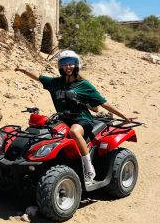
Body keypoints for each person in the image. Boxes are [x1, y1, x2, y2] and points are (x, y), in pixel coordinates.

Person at [15, 49, 134, 186]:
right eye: (65, 63)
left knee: (74, 132)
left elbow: (104, 103)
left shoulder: (84, 85)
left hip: (82, 119)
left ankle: (89, 169)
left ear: (77, 65)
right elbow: (38, 77)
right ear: (60, 66)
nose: (68, 66)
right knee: (45, 133)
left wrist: (124, 116)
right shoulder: (55, 83)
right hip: (63, 119)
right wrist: (23, 69)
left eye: (71, 63)